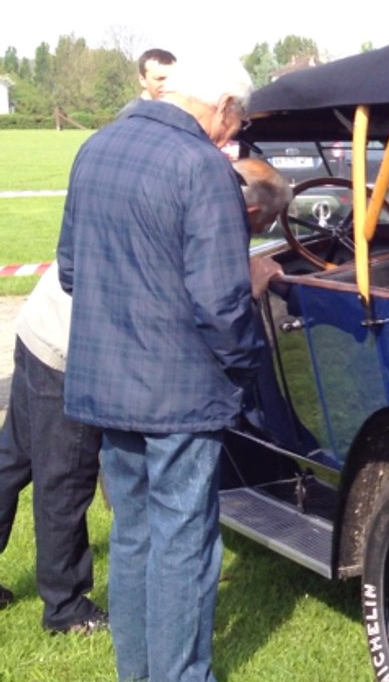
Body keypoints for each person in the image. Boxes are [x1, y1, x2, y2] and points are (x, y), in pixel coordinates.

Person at [0, 156, 288, 640]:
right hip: (74, 351)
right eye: (265, 223)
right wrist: (249, 285)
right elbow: (202, 304)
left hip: (40, 327)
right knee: (66, 479)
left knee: (13, 458)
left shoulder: (171, 187)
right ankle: (66, 608)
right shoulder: (206, 218)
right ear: (256, 216)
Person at [56, 54, 270, 682]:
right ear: (223, 108)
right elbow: (222, 300)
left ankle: (139, 671)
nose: (233, 135)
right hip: (179, 392)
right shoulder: (201, 166)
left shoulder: (96, 148)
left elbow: (70, 270)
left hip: (106, 379)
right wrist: (247, 369)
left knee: (133, 533)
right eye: (237, 123)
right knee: (184, 544)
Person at [117, 48, 176, 118]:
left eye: (172, 79)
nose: (167, 85)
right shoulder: (131, 115)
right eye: (159, 79)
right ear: (142, 80)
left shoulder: (178, 113)